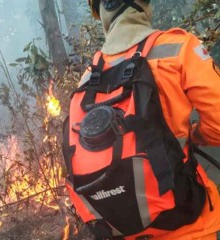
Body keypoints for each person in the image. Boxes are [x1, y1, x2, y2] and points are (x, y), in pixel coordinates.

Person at [74, 0, 220, 239]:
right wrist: (195, 135)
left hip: (124, 227)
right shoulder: (178, 47)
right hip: (186, 223)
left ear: (101, 13)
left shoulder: (88, 78)